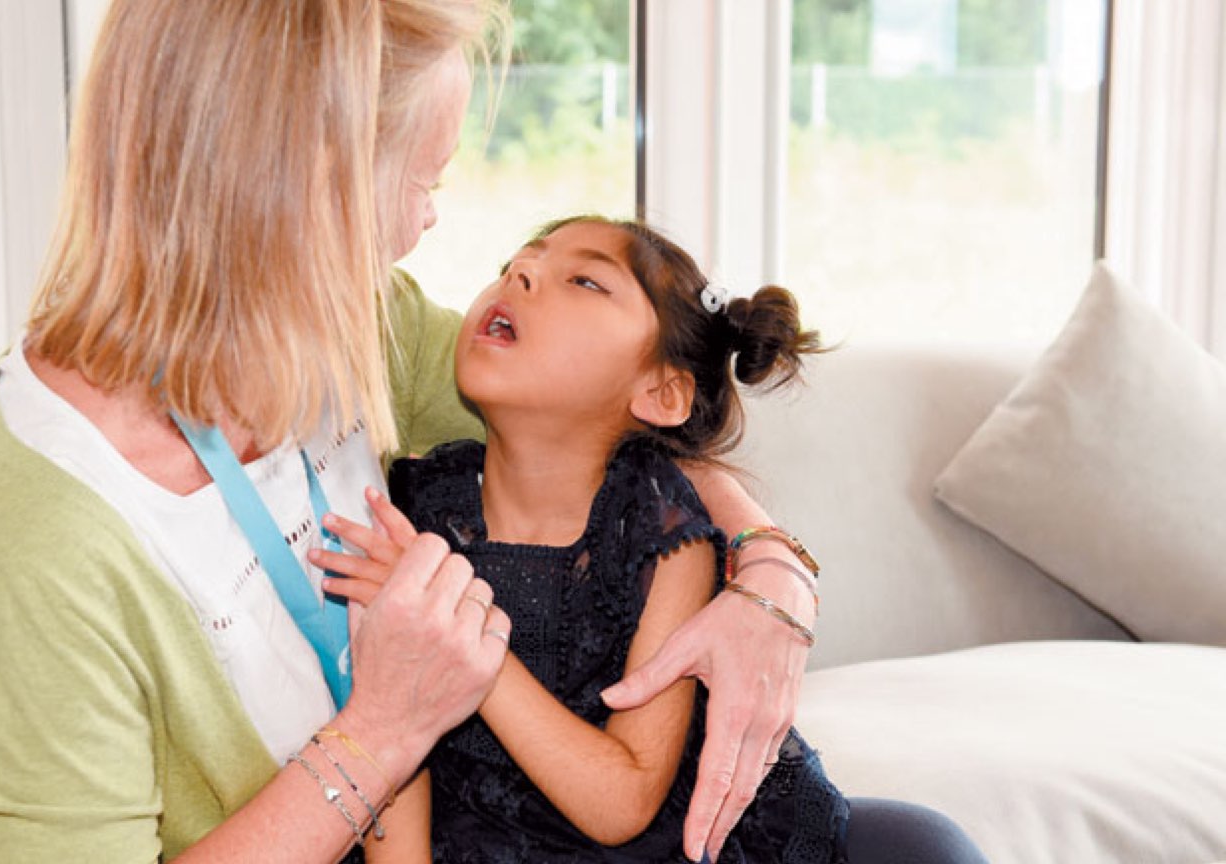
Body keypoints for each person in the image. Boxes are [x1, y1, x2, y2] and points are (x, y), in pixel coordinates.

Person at [0, 1, 843, 862]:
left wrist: (770, 573)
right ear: (298, 185)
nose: (425, 226)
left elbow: (610, 436)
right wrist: (384, 730)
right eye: (418, 180)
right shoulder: (27, 546)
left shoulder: (343, 322)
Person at [318, 216, 989, 863]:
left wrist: (464, 641)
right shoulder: (418, 505)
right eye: (517, 262)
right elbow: (393, 753)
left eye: (585, 282)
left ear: (663, 394)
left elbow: (622, 804)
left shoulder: (664, 539)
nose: (519, 271)